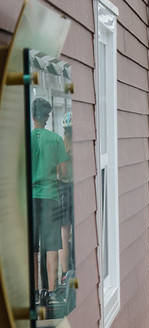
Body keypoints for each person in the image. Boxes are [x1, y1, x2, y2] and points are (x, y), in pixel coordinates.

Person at [30, 97, 69, 306]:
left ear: (32, 115)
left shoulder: (25, 139)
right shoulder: (55, 140)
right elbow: (64, 172)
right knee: (51, 246)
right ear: (47, 117)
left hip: (31, 199)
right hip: (51, 197)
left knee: (33, 248)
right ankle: (51, 291)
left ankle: (35, 292)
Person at [58, 111, 74, 282]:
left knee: (64, 233)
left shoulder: (61, 146)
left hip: (63, 189)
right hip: (75, 188)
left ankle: (64, 273)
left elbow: (59, 172)